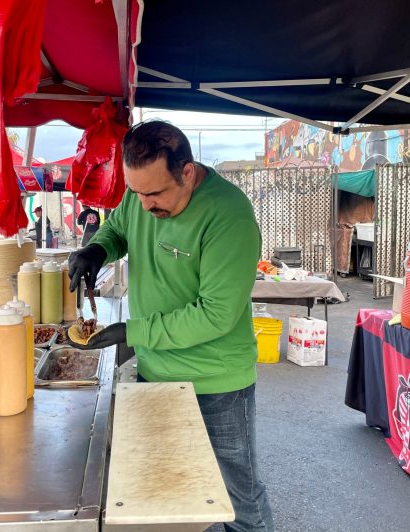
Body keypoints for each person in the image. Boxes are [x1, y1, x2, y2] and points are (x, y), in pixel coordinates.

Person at [67, 121, 274, 532]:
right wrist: (98, 248)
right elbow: (120, 227)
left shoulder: (229, 216)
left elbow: (216, 314)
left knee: (237, 498)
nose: (145, 205)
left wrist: (132, 332)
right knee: (171, 491)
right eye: (137, 192)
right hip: (155, 373)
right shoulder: (141, 194)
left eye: (155, 193)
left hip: (216, 384)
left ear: (188, 173)